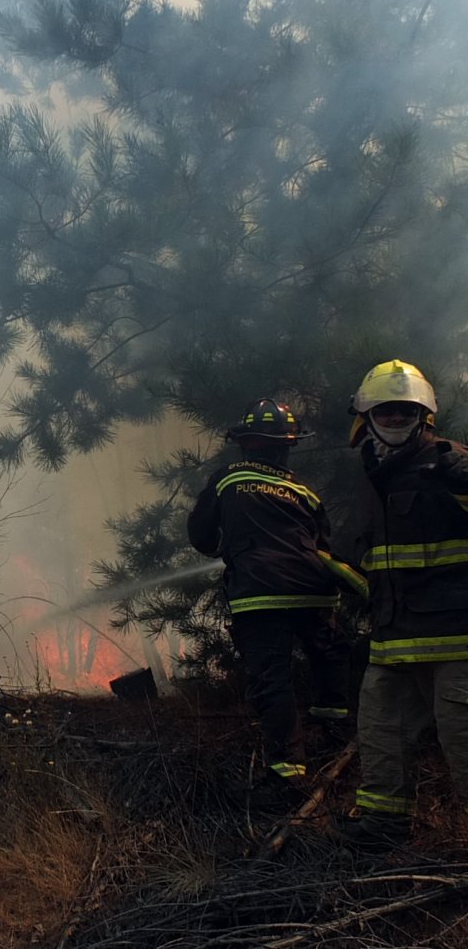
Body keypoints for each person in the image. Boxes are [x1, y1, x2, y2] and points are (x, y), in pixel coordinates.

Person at [188, 399, 359, 808]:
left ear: (245, 444)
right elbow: (324, 544)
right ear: (287, 446)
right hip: (314, 589)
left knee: (273, 678)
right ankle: (334, 734)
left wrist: (227, 548)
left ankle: (287, 776)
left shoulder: (227, 479)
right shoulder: (304, 491)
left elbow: (201, 534)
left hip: (261, 592)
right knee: (327, 655)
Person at [343, 359, 468, 850]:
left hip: (457, 642)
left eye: (405, 411)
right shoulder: (374, 475)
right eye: (385, 411)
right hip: (394, 640)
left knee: (464, 742)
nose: (395, 420)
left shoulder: (449, 464)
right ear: (365, 417)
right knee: (380, 736)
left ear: (425, 416)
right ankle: (382, 828)